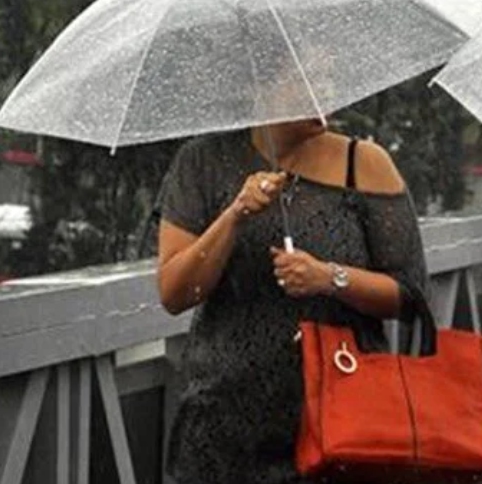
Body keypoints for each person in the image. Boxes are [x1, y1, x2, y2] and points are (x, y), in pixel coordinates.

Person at [157, 119, 427, 484]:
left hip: (340, 424)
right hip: (224, 426)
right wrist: (235, 215)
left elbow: (410, 295)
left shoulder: (363, 164)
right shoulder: (202, 162)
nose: (322, 89)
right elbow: (175, 293)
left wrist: (330, 277)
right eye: (307, 75)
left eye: (325, 74)